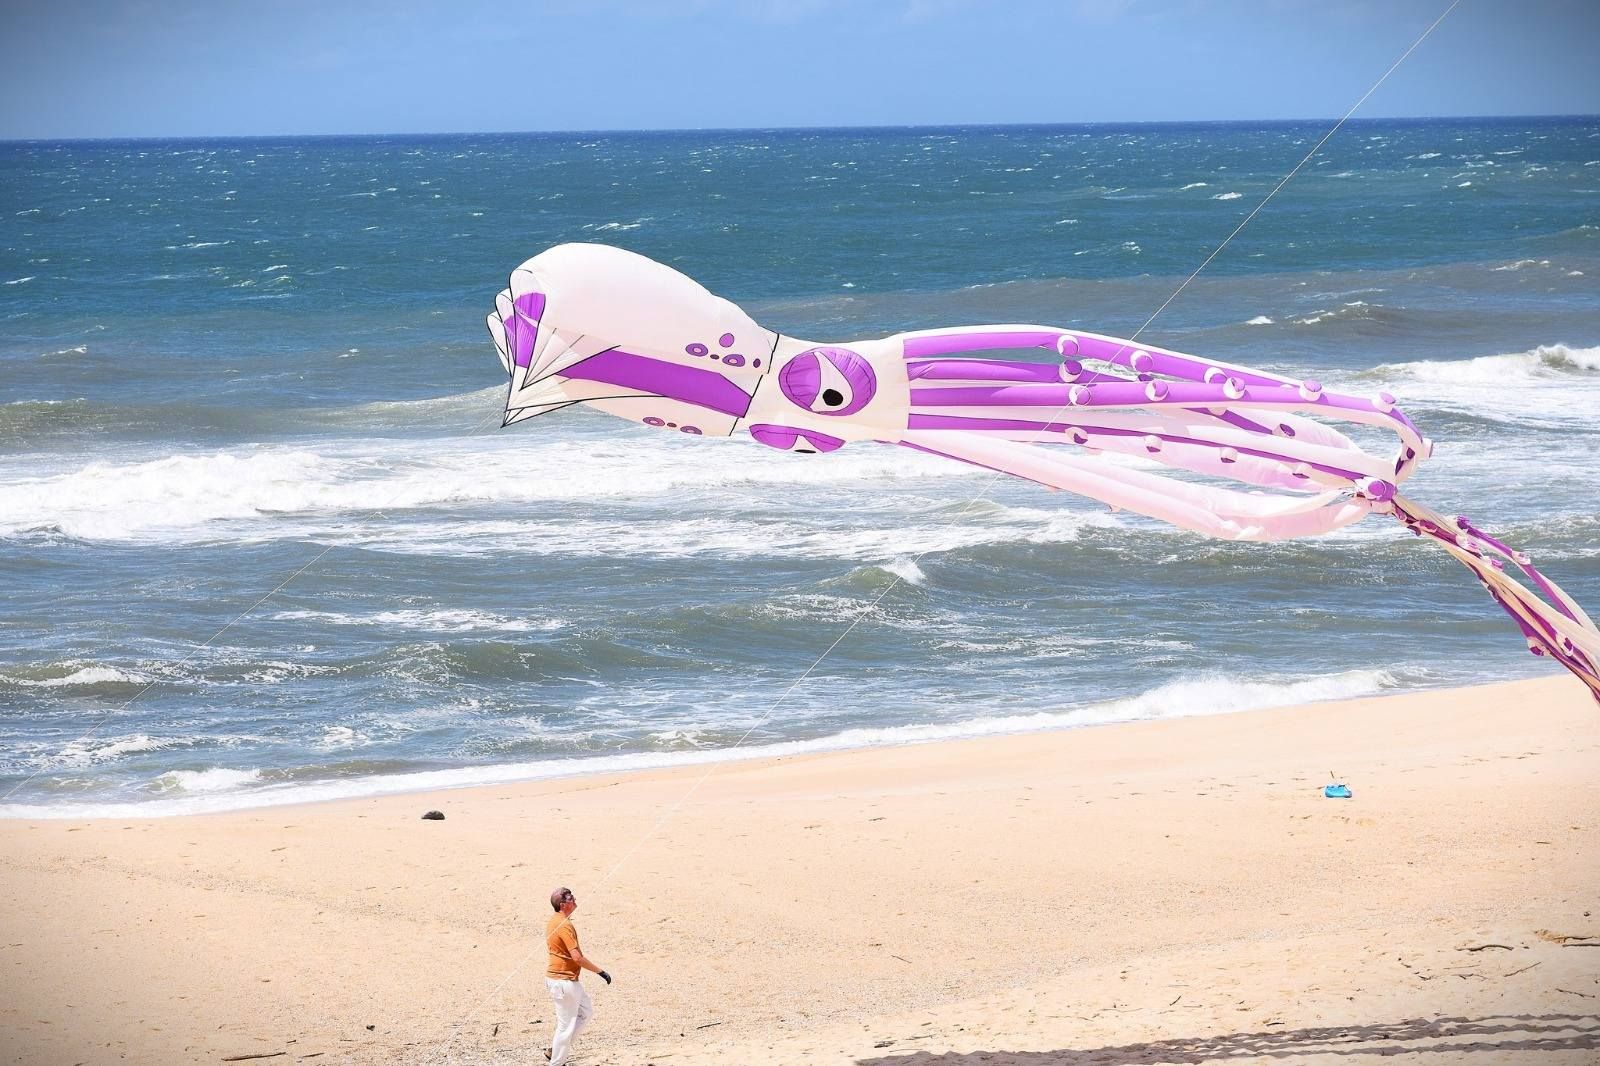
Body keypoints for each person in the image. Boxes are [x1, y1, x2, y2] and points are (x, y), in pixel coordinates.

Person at [545, 886, 611, 1065]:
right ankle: (556, 1062)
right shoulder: (564, 925)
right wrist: (600, 972)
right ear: (562, 904)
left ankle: (555, 1050)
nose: (575, 900)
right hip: (562, 982)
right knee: (565, 1027)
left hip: (567, 981)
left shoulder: (557, 920)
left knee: (586, 1013)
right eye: (571, 898)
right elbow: (577, 958)